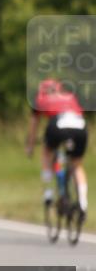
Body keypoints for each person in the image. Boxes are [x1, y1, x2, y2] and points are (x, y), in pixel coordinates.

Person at [26, 78, 88, 221]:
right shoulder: (69, 96)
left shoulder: (40, 98)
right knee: (77, 165)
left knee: (47, 153)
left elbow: (34, 125)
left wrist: (30, 146)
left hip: (58, 124)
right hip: (79, 125)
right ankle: (83, 203)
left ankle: (48, 194)